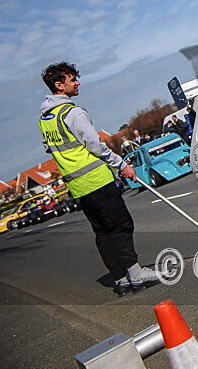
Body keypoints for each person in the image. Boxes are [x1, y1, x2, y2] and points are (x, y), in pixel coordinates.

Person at [39, 62, 159, 296]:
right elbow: (94, 145)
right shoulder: (72, 113)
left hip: (79, 186)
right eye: (72, 79)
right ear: (59, 85)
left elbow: (51, 149)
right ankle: (135, 273)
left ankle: (120, 278)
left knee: (103, 232)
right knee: (121, 224)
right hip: (97, 180)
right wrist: (121, 164)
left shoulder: (45, 119)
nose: (77, 82)